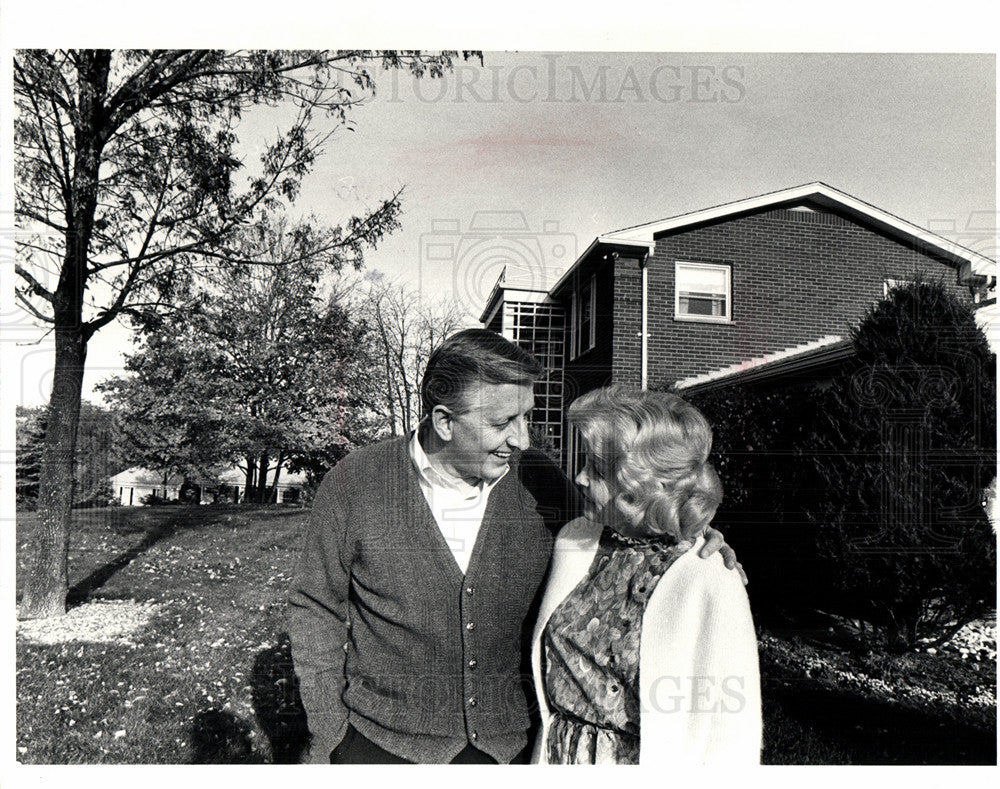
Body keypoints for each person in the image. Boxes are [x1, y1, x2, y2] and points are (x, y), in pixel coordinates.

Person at [287, 330, 741, 764]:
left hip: (513, 753)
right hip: (379, 747)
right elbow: (315, 605)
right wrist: (330, 730)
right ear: (444, 421)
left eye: (526, 416)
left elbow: (626, 525)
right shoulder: (356, 481)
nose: (523, 439)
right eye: (503, 422)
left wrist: (696, 542)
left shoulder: (539, 481)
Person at [531, 385, 761, 765]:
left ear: (645, 488)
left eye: (599, 470)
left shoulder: (709, 576)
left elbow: (732, 732)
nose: (580, 477)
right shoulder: (575, 540)